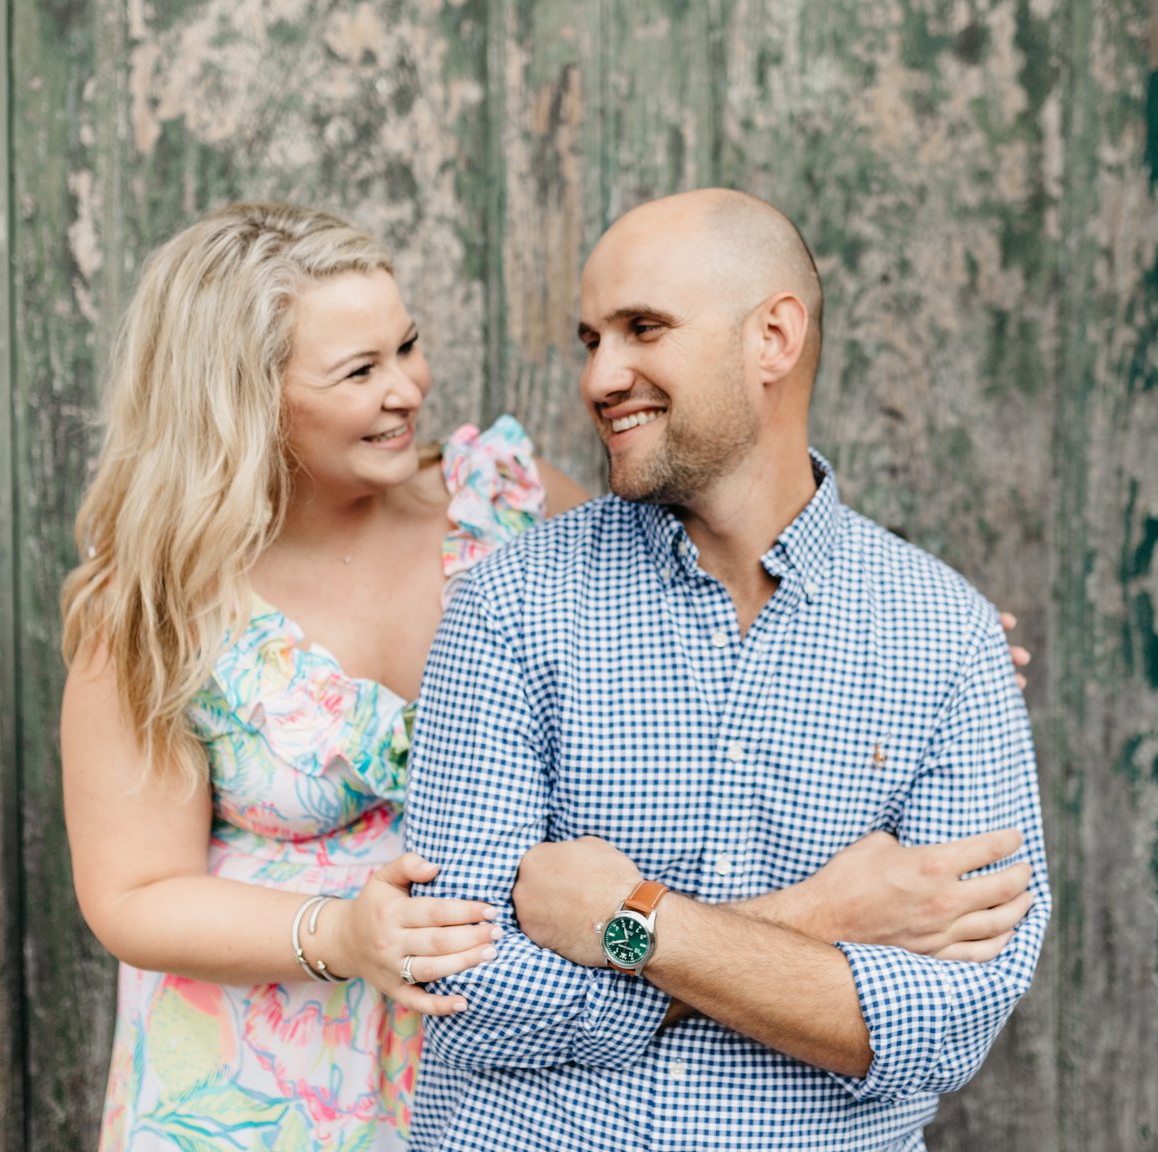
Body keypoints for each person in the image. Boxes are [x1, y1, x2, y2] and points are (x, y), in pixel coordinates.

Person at [58, 202, 1036, 1150]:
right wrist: (807, 920)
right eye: (360, 369)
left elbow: (712, 564)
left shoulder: (499, 508)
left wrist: (919, 629)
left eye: (407, 346)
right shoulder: (159, 602)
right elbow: (133, 892)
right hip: (267, 1077)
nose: (408, 387)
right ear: (242, 399)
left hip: (497, 1060)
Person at [405, 188, 1051, 1151]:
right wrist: (819, 919)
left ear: (773, 339)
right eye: (591, 340)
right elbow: (462, 988)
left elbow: (946, 1026)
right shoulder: (509, 607)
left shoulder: (946, 637)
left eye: (643, 329)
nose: (600, 377)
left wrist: (632, 925)